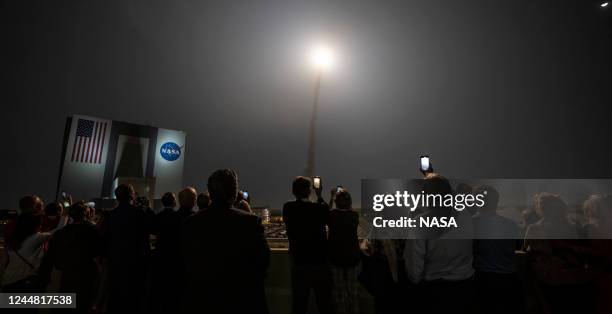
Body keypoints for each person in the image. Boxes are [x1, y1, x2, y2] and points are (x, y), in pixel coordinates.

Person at [181, 169, 270, 314]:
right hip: (243, 301)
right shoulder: (251, 222)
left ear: (210, 192)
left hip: (202, 301)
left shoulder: (191, 223)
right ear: (234, 194)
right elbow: (263, 261)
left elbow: (187, 262)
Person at [403, 174, 474, 314]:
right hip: (466, 286)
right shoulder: (465, 215)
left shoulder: (421, 222)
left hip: (437, 291)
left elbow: (414, 267)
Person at [283, 176, 334, 314]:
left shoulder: (288, 208)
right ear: (309, 191)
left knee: (299, 305)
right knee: (325, 304)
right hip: (320, 263)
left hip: (299, 263)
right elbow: (329, 218)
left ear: (294, 191)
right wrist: (320, 196)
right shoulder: (319, 208)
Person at [100, 184, 152, 314]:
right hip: (135, 263)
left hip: (115, 262)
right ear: (132, 195)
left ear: (117, 197)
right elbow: (146, 235)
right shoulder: (139, 213)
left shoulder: (110, 215)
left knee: (114, 297)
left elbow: (104, 240)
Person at [472, 185, 524, 314]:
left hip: (484, 280)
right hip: (510, 280)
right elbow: (518, 247)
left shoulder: (472, 223)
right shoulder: (511, 224)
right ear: (496, 201)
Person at [46, 202, 100, 314]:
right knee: (83, 304)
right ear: (87, 214)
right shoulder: (93, 231)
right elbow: (98, 251)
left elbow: (52, 254)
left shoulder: (61, 233)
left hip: (67, 273)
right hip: (86, 273)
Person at [2, 210, 67, 292]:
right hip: (24, 283)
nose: (41, 226)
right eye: (40, 224)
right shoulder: (35, 238)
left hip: (8, 281)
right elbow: (59, 230)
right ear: (34, 225)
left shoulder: (14, 239)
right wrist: (65, 212)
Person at [328, 189, 360, 314]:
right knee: (353, 295)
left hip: (336, 260)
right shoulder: (354, 216)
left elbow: (327, 211)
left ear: (336, 203)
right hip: (352, 260)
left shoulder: (332, 216)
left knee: (340, 296)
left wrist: (331, 197)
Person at [152, 191, 182, 314]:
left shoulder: (158, 216)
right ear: (174, 202)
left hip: (160, 253)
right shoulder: (178, 217)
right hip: (174, 255)